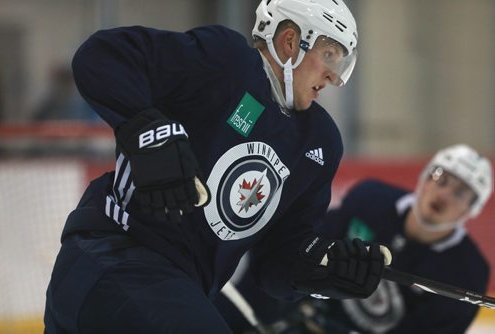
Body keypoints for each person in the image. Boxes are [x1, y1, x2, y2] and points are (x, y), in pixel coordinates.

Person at [43, 1, 391, 333]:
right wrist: (148, 131)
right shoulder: (228, 62)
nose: (333, 76)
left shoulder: (319, 142)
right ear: (291, 41)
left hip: (171, 290)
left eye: (340, 62)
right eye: (329, 55)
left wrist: (325, 268)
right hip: (114, 252)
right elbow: (104, 56)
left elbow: (275, 264)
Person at [217, 144, 493, 334]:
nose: (444, 195)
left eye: (460, 193)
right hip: (291, 314)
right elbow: (295, 255)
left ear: (473, 209)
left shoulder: (466, 272)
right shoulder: (369, 201)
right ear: (425, 178)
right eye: (441, 179)